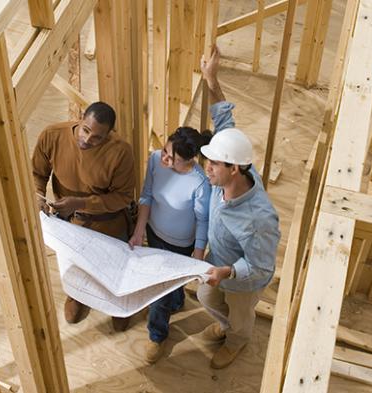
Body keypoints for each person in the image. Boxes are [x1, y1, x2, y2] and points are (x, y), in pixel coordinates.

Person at [197, 46, 281, 369]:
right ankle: (224, 324)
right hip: (217, 264)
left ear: (233, 169)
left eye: (213, 164)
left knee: (241, 317)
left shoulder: (258, 220)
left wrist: (228, 272)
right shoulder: (234, 170)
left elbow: (261, 268)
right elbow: (224, 120)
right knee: (206, 297)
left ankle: (236, 341)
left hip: (241, 281)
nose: (206, 168)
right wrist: (211, 79)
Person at [33, 101, 136, 332]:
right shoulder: (52, 135)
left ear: (109, 135)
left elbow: (123, 197)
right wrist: (38, 195)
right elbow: (37, 173)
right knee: (73, 265)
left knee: (113, 271)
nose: (88, 140)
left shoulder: (121, 152)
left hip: (107, 224)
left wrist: (80, 203)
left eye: (97, 137)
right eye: (85, 130)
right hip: (68, 223)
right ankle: (78, 296)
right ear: (80, 119)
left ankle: (116, 304)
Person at [128, 126, 212, 363]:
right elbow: (146, 196)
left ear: (188, 160)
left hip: (181, 245)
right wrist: (138, 233)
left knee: (167, 292)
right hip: (154, 235)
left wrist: (197, 254)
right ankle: (162, 324)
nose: (164, 157)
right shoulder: (155, 159)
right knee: (160, 292)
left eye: (171, 158)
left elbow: (202, 220)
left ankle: (161, 327)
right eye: (165, 150)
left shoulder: (199, 183)